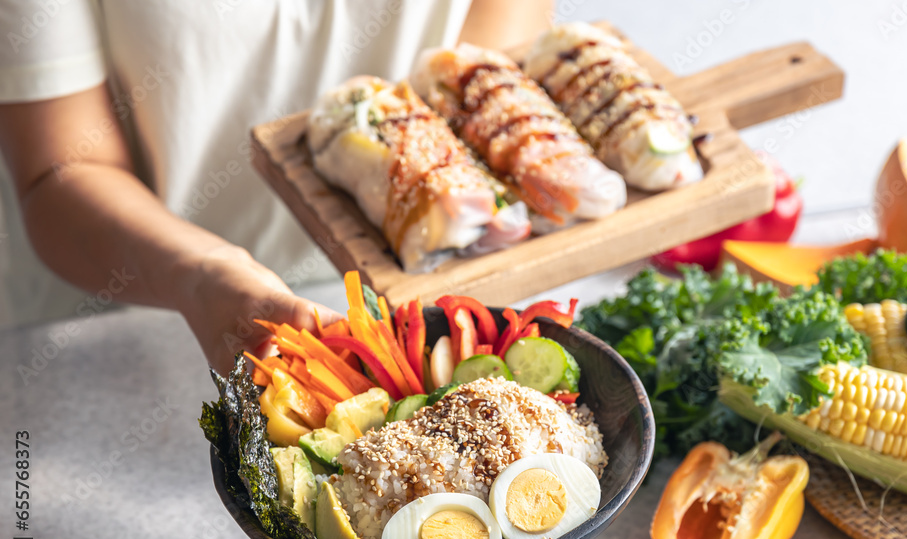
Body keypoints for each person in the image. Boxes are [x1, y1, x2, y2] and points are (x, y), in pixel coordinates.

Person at [0, 0, 550, 371]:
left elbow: (484, 75)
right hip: (126, 311)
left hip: (403, 287)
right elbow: (61, 168)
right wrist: (203, 275)